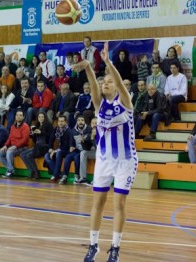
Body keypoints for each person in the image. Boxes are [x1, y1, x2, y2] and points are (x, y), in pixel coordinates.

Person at [73, 42, 138, 262]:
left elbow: (119, 82)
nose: (105, 84)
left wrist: (108, 63)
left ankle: (115, 248)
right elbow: (93, 85)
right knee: (98, 203)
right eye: (104, 82)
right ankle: (93, 245)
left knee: (118, 204)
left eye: (109, 82)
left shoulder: (126, 103)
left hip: (125, 161)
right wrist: (89, 67)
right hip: (104, 160)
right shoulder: (100, 105)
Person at [0, 109, 30, 178]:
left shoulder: (25, 126)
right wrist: (5, 145)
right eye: (17, 115)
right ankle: (11, 168)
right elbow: (10, 138)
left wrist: (15, 146)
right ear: (15, 116)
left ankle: (10, 171)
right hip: (13, 146)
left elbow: (24, 139)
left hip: (22, 147)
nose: (18, 117)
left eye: (20, 115)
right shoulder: (13, 126)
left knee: (9, 151)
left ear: (23, 117)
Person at [58, 115, 91, 185]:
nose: (80, 122)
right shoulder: (73, 131)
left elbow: (91, 141)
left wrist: (85, 140)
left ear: (84, 122)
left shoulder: (89, 129)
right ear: (76, 122)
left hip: (86, 149)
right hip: (77, 149)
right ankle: (64, 176)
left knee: (76, 157)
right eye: (79, 120)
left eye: (82, 120)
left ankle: (77, 176)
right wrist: (71, 146)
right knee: (68, 156)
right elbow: (71, 142)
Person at [20, 112, 53, 179]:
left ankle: (36, 172)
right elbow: (35, 140)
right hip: (37, 146)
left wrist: (41, 132)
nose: (41, 118)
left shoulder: (48, 125)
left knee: (28, 155)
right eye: (39, 117)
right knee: (22, 154)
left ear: (45, 117)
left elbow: (51, 137)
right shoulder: (37, 125)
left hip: (44, 147)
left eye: (42, 117)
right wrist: (32, 134)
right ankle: (31, 171)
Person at [43, 115, 70, 182]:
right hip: (59, 149)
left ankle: (55, 175)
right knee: (46, 156)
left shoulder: (68, 131)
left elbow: (66, 146)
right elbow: (51, 140)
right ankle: (59, 174)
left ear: (66, 122)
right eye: (59, 121)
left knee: (58, 153)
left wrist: (55, 151)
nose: (60, 123)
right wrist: (50, 149)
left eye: (62, 121)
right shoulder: (56, 129)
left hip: (66, 150)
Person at [77, 117, 97, 184]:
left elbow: (99, 148)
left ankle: (96, 179)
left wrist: (93, 139)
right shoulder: (90, 132)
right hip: (95, 153)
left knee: (99, 155)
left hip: (103, 154)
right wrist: (83, 141)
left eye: (96, 123)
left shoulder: (103, 132)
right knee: (83, 153)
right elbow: (87, 148)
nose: (94, 125)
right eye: (92, 123)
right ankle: (83, 177)